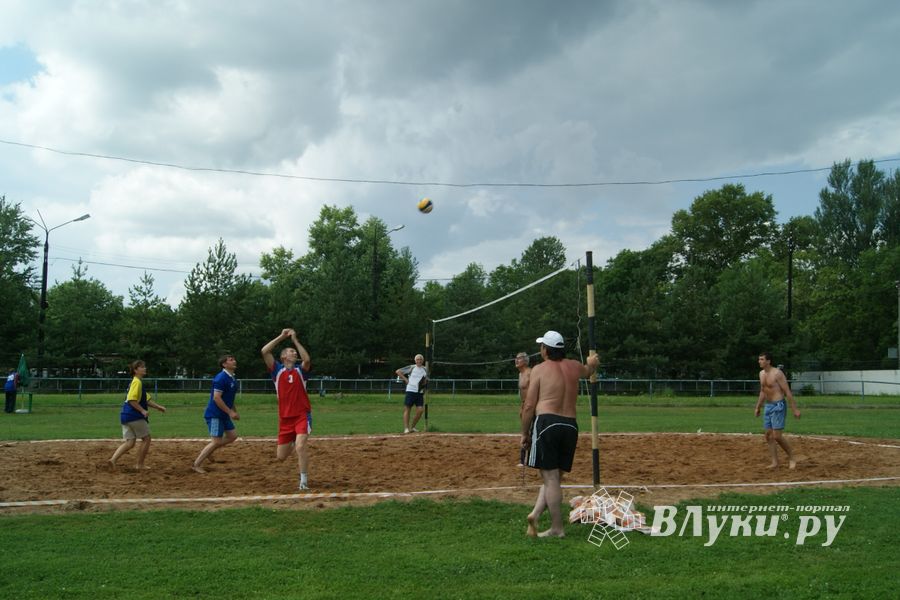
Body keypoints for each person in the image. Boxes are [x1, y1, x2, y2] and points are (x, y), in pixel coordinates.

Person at [521, 330, 599, 538]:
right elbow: (589, 370)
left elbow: (529, 406)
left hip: (548, 422)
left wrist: (524, 433)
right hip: (570, 425)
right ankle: (536, 513)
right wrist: (593, 361)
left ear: (545, 350)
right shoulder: (574, 366)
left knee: (550, 477)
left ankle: (557, 528)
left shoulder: (539, 369)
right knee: (554, 477)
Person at [261, 328, 313, 490]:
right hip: (285, 419)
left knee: (300, 447)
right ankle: (294, 439)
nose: (294, 353)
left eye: (294, 352)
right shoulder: (277, 370)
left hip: (301, 415)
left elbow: (307, 359)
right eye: (291, 351)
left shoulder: (300, 371)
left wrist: (295, 341)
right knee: (281, 457)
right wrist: (282, 337)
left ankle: (303, 481)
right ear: (283, 356)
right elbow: (265, 351)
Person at [109, 360, 166, 469]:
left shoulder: (135, 382)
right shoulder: (137, 382)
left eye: (144, 366)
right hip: (134, 416)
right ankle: (139, 465)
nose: (145, 368)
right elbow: (131, 400)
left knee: (130, 442)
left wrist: (158, 407)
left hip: (125, 416)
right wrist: (142, 411)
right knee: (146, 439)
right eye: (142, 367)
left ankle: (112, 460)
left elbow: (146, 400)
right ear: (136, 370)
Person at [192, 354, 240, 474]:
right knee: (216, 441)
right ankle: (196, 464)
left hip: (224, 414)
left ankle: (210, 451)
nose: (234, 361)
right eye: (231, 360)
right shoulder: (221, 378)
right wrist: (230, 412)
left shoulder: (232, 378)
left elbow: (230, 398)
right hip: (215, 414)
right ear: (224, 364)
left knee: (233, 436)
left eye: (234, 359)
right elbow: (217, 398)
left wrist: (234, 411)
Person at [754, 352, 801, 469]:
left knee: (777, 436)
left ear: (768, 361)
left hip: (778, 405)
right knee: (768, 435)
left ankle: (792, 457)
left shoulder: (777, 374)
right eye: (759, 359)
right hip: (768, 406)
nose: (759, 361)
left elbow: (787, 392)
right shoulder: (761, 374)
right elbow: (763, 391)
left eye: (762, 359)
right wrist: (758, 407)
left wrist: (794, 409)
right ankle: (775, 462)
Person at [396, 354, 427, 434]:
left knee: (420, 410)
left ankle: (412, 427)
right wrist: (406, 380)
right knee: (408, 409)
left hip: (419, 393)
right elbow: (398, 371)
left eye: (420, 359)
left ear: (422, 360)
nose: (419, 361)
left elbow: (425, 380)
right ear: (415, 360)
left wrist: (424, 384)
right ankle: (406, 428)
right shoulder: (412, 367)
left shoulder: (425, 369)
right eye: (417, 359)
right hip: (410, 391)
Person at [515, 352, 532, 466]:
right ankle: (523, 460)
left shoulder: (530, 373)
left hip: (531, 406)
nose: (516, 360)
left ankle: (529, 459)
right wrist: (522, 406)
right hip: (525, 405)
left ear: (525, 361)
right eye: (516, 358)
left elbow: (533, 392)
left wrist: (528, 406)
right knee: (525, 431)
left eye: (519, 358)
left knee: (529, 432)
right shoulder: (520, 375)